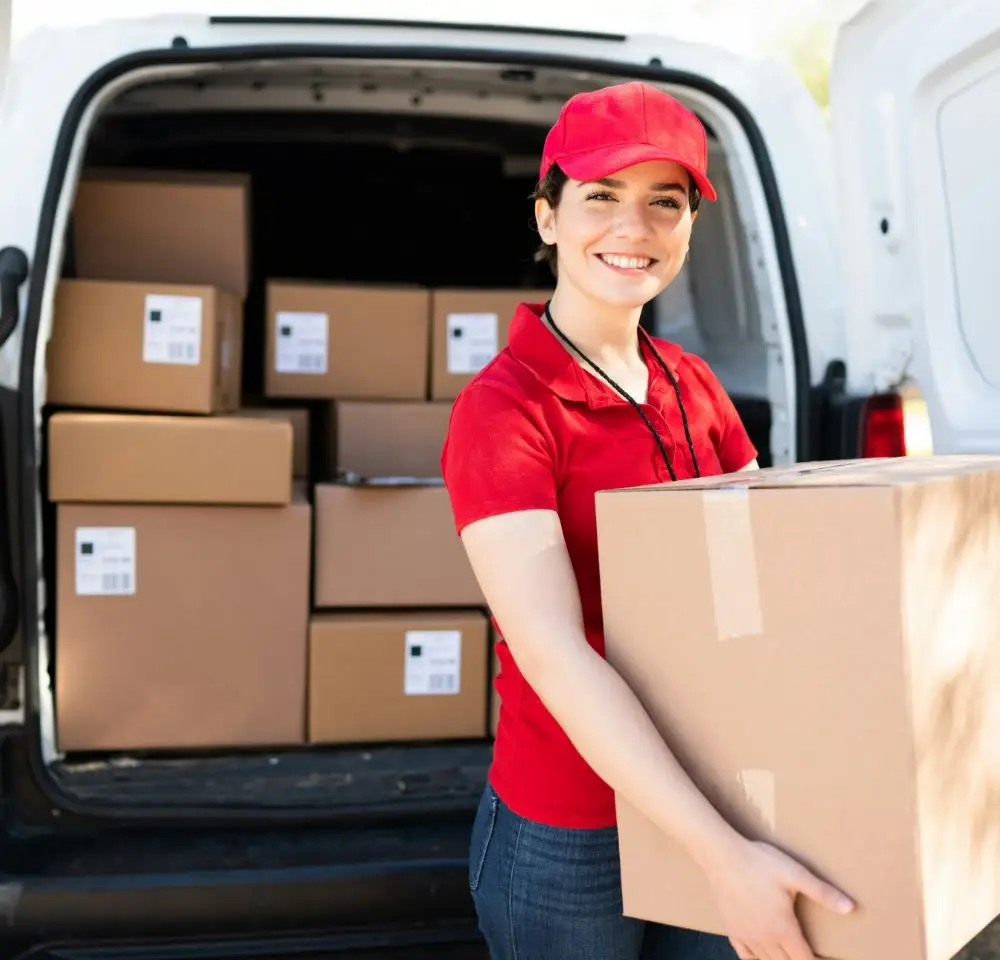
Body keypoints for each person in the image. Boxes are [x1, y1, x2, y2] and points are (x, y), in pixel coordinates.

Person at [441, 81, 855, 960]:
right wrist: (724, 858)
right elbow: (554, 652)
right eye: (601, 197)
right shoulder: (504, 410)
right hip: (572, 825)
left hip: (721, 788)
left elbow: (773, 574)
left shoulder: (694, 384)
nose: (634, 230)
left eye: (664, 203)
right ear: (548, 216)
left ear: (690, 229)